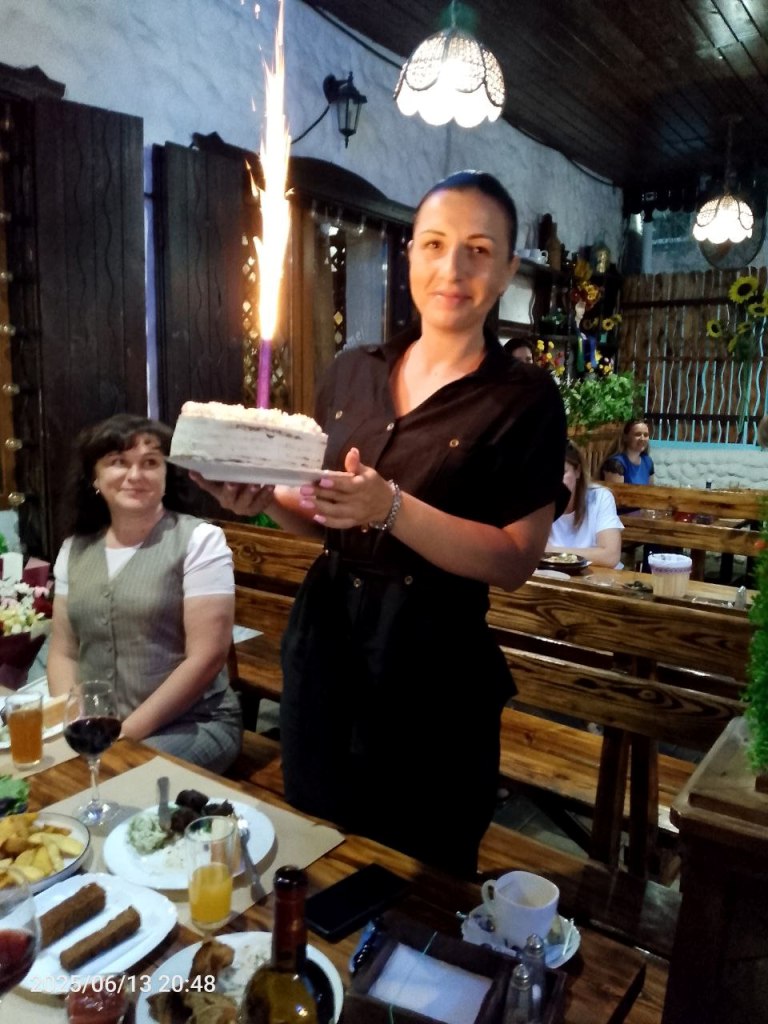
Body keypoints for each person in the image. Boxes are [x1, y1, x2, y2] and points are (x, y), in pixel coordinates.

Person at [194, 171, 567, 876]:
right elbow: (332, 517)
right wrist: (266, 499)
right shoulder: (353, 371)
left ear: (508, 269)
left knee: (421, 877)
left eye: (478, 250)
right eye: (434, 244)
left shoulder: (525, 398)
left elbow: (516, 559)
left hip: (432, 678)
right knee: (314, 854)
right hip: (325, 655)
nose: (452, 268)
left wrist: (391, 507)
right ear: (410, 254)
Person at [48, 414, 242, 773]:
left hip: (192, 723)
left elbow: (206, 658)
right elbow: (64, 652)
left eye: (151, 463)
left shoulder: (199, 540)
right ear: (94, 477)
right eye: (118, 462)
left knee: (110, 776)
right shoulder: (74, 549)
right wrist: (76, 720)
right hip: (102, 727)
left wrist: (122, 736)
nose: (135, 475)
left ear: (167, 475)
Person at [547, 442, 623, 568]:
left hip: (596, 576)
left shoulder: (600, 497)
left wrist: (552, 552)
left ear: (578, 471)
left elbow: (610, 556)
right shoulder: (536, 503)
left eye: (561, 472)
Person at [611, 419, 655, 484]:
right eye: (638, 434)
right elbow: (615, 490)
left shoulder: (648, 461)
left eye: (646, 435)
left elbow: (650, 488)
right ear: (625, 437)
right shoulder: (615, 464)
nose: (642, 439)